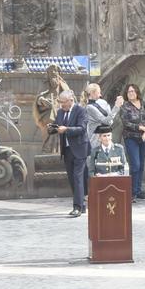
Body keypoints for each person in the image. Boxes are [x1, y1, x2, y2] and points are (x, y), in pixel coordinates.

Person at [50, 86, 89, 216]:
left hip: (79, 149)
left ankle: (77, 207)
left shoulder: (80, 110)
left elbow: (82, 128)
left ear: (70, 100)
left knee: (78, 177)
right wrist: (51, 128)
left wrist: (66, 129)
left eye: (62, 102)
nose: (60, 105)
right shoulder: (60, 112)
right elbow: (57, 125)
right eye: (59, 102)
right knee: (72, 179)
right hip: (66, 150)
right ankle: (82, 205)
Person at [119, 83, 145, 201]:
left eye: (133, 91)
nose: (131, 93)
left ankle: (138, 191)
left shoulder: (143, 104)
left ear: (137, 92)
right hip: (131, 138)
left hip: (144, 138)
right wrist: (141, 128)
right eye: (129, 92)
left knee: (141, 165)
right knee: (135, 165)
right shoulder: (125, 106)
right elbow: (126, 123)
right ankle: (131, 192)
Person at [83, 80, 115, 158]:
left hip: (107, 134)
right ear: (92, 93)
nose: (100, 95)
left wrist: (110, 118)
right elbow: (105, 120)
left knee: (108, 158)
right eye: (98, 92)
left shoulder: (103, 102)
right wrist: (116, 107)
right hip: (96, 137)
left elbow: (110, 121)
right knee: (96, 159)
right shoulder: (89, 107)